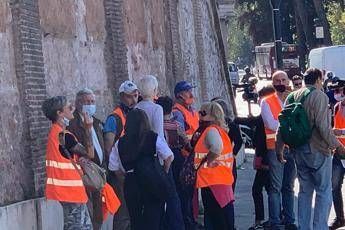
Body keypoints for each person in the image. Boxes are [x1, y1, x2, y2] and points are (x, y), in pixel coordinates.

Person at [276, 68, 345, 230]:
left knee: (305, 191)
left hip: (298, 151)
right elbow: (322, 127)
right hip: (318, 150)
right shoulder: (319, 96)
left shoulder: (292, 96)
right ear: (319, 80)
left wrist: (279, 148)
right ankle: (320, 227)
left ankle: (304, 227)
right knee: (323, 190)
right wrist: (339, 147)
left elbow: (282, 124)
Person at [108, 109, 174, 230]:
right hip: (152, 180)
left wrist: (124, 179)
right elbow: (168, 157)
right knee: (154, 218)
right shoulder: (152, 137)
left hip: (131, 181)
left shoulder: (120, 142)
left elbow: (113, 167)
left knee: (136, 219)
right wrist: (163, 172)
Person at [42, 96, 94, 230]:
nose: (73, 109)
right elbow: (90, 153)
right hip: (70, 191)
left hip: (67, 191)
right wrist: (89, 128)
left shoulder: (56, 133)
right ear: (59, 113)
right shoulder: (64, 136)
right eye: (69, 107)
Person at [260, 71, 297, 230]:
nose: (281, 83)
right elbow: (271, 124)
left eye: (283, 80)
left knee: (288, 186)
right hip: (274, 148)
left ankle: (289, 221)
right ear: (273, 83)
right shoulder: (266, 101)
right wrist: (289, 125)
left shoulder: (294, 99)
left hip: (292, 148)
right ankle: (274, 221)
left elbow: (300, 121)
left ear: (288, 81)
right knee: (275, 187)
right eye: (277, 80)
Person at [67, 89, 105, 229]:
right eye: (87, 102)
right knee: (87, 216)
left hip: (98, 175)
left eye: (92, 102)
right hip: (84, 176)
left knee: (98, 215)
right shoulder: (72, 125)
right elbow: (84, 151)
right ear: (78, 104)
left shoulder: (96, 122)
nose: (91, 105)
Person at [194, 102, 235, 230]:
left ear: (212, 116)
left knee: (217, 220)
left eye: (202, 113)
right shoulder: (220, 130)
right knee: (223, 219)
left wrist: (208, 161)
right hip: (221, 181)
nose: (199, 116)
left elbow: (217, 148)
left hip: (213, 183)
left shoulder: (211, 130)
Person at [104, 80, 139, 230]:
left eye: (135, 96)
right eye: (129, 96)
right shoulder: (114, 118)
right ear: (122, 97)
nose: (133, 99)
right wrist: (116, 171)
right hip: (119, 173)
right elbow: (108, 147)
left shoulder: (136, 115)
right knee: (123, 212)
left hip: (133, 170)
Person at [156, 96, 188, 230]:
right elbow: (186, 142)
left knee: (166, 193)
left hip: (163, 159)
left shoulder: (157, 127)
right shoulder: (177, 126)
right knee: (178, 193)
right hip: (178, 158)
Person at [172, 80, 199, 229]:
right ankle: (188, 222)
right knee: (185, 194)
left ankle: (191, 220)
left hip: (192, 157)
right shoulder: (178, 112)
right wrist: (189, 148)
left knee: (191, 193)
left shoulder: (192, 111)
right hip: (184, 157)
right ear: (180, 95)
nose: (191, 93)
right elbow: (180, 135)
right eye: (188, 91)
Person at [211, 97, 243, 192]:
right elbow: (239, 141)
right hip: (225, 160)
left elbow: (239, 141)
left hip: (222, 160)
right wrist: (233, 154)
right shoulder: (231, 124)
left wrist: (233, 154)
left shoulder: (229, 125)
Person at [329, 80, 345, 230]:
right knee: (334, 186)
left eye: (339, 90)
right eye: (335, 91)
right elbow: (336, 126)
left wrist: (342, 132)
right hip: (339, 152)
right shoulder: (337, 106)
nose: (337, 93)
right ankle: (340, 218)